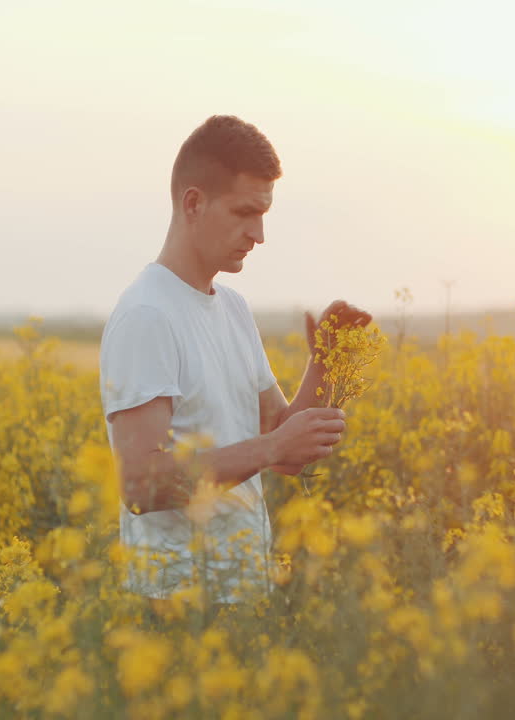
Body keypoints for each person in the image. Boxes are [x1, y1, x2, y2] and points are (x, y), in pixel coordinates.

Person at [99, 115, 372, 610]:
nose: (259, 234)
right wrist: (271, 446)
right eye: (245, 212)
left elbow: (285, 449)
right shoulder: (147, 315)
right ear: (194, 203)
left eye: (264, 214)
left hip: (242, 600)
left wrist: (326, 363)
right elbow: (140, 485)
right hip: (176, 607)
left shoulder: (233, 308)